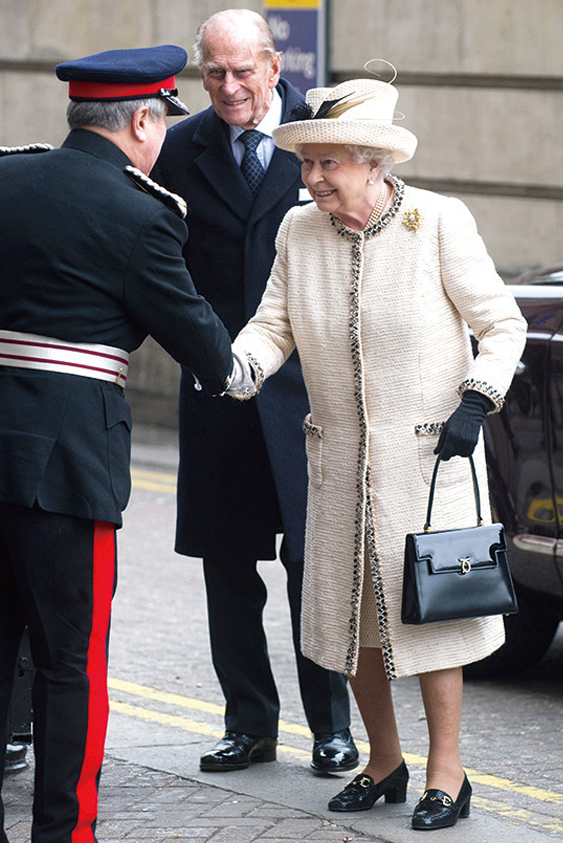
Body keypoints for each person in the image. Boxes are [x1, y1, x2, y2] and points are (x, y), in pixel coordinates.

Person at [228, 70, 527, 830]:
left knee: (434, 622)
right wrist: (235, 365)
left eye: (329, 163)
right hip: (336, 462)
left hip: (431, 463)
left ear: (373, 163)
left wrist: (477, 397)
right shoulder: (298, 230)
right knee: (350, 617)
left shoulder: (438, 220)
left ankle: (447, 773)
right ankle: (384, 760)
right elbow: (272, 325)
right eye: (307, 162)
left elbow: (503, 325)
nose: (313, 178)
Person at [0, 45, 234, 843]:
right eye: (161, 125)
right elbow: (210, 355)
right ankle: (63, 833)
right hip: (66, 476)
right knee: (68, 665)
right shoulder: (141, 214)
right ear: (143, 120)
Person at [152, 8, 358, 774]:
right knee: (229, 570)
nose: (229, 87)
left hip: (312, 396)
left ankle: (332, 727)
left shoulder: (327, 134)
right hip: (219, 392)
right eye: (214, 72)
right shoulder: (178, 148)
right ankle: (249, 723)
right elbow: (156, 262)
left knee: (316, 568)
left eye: (243, 71)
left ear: (275, 66)